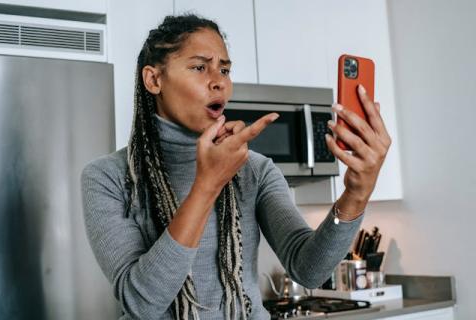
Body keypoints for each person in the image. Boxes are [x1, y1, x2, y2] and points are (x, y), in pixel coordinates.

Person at [81, 14, 391, 320]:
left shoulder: (254, 170)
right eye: (200, 67)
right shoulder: (108, 178)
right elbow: (142, 303)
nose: (219, 82)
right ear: (154, 79)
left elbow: (308, 269)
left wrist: (356, 193)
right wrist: (207, 186)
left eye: (225, 69)